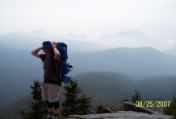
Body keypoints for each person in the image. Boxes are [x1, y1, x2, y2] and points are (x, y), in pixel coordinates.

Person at [31, 41, 61, 119]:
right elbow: (33, 53)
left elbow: (58, 54)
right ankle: (50, 115)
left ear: (51, 49)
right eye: (45, 49)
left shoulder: (54, 57)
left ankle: (55, 117)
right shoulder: (44, 57)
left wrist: (53, 47)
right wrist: (42, 47)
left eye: (48, 49)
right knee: (48, 100)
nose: (46, 50)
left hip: (54, 83)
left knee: (54, 101)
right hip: (46, 82)